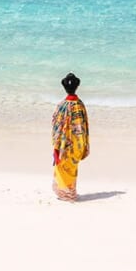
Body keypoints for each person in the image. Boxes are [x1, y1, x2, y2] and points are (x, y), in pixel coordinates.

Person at [51, 72, 90, 201]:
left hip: (63, 144)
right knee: (72, 168)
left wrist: (57, 142)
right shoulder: (80, 105)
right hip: (76, 143)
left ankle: (65, 193)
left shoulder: (61, 106)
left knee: (62, 167)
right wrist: (84, 143)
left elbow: (55, 124)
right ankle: (70, 192)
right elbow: (83, 126)